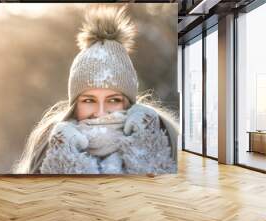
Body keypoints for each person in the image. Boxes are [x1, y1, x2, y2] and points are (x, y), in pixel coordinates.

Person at [12, 5, 178, 174]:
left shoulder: (167, 147)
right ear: (75, 105)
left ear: (129, 103)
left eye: (113, 100)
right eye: (89, 100)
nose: (100, 113)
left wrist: (147, 154)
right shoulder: (47, 152)